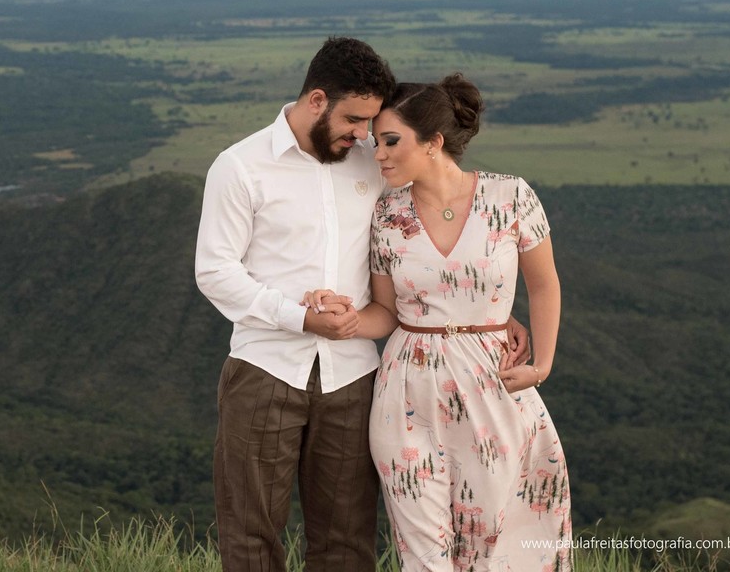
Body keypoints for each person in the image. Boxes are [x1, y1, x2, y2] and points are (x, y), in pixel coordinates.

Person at [195, 40, 529, 572]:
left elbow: (427, 227)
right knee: (251, 538)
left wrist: (474, 307)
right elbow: (214, 271)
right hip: (263, 370)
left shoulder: (372, 166)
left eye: (371, 126)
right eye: (353, 120)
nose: (363, 137)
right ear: (317, 100)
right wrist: (300, 317)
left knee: (348, 543)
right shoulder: (240, 167)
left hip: (355, 378)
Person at [352, 74, 572, 571]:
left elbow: (545, 284)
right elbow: (386, 313)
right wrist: (343, 322)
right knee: (423, 556)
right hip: (407, 392)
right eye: (375, 143)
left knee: (490, 546)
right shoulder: (387, 214)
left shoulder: (510, 198)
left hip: (492, 385)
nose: (379, 154)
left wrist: (543, 364)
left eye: (390, 141)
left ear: (433, 142)